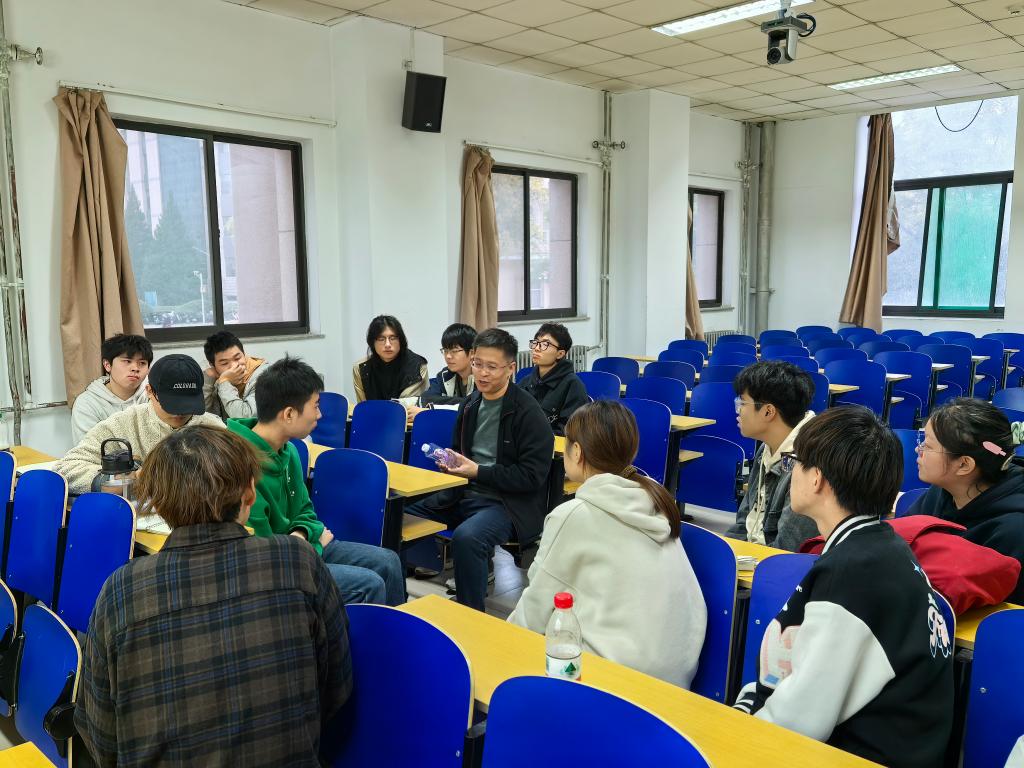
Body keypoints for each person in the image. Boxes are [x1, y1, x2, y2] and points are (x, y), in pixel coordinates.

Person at [75, 425, 351, 767]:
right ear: (250, 493)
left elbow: (100, 734)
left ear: (157, 505)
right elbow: (337, 685)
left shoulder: (122, 590)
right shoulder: (297, 560)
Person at [734, 407, 953, 767]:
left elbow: (799, 721)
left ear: (817, 479)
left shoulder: (854, 571)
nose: (791, 473)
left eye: (794, 464)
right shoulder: (881, 546)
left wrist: (732, 731)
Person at [508, 400, 707, 688]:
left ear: (577, 452)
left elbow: (533, 611)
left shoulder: (573, 515)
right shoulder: (654, 499)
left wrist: (502, 646)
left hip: (615, 681)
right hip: (675, 678)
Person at [227, 356, 405, 606]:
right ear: (289, 414)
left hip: (301, 546)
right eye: (316, 406)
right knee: (369, 584)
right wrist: (307, 543)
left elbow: (306, 511)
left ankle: (395, 628)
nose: (320, 415)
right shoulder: (240, 463)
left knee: (389, 561)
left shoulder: (288, 450)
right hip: (274, 567)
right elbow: (262, 553)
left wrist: (302, 535)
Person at [407, 328, 554, 611]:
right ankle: (396, 598)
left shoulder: (528, 413)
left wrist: (478, 472)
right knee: (402, 515)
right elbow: (462, 453)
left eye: (492, 367)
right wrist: (453, 463)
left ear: (511, 368)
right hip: (464, 493)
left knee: (468, 538)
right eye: (477, 364)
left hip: (506, 503)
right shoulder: (471, 404)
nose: (482, 373)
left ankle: (471, 615)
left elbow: (531, 477)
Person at [907, 398, 1024, 602]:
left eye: (929, 445)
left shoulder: (1013, 531)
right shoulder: (941, 493)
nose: (919, 449)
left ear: (963, 465)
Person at [55, 354, 225, 495]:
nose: (180, 412)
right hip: (138, 518)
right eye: (172, 404)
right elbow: (66, 468)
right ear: (150, 391)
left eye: (186, 404)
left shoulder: (213, 428)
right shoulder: (124, 423)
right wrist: (123, 480)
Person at [727, 361, 819, 551]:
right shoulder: (766, 448)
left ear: (768, 411)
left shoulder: (809, 463)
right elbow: (744, 521)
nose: (738, 410)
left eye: (742, 403)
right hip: (755, 553)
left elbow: (788, 548)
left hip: (775, 561)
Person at [71, 334, 152, 443]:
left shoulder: (155, 395)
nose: (135, 368)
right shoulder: (87, 403)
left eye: (142, 363)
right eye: (127, 361)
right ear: (107, 365)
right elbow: (88, 448)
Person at [518, 323, 588, 436]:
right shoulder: (526, 382)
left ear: (560, 354)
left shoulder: (573, 385)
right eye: (536, 342)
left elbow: (569, 431)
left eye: (545, 344)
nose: (536, 348)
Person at [352, 315, 428, 403]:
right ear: (372, 342)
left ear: (401, 340)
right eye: (381, 339)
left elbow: (406, 407)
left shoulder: (418, 366)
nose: (387, 344)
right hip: (372, 412)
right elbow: (363, 407)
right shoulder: (361, 368)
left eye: (393, 338)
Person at [202, 330, 268, 419]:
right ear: (213, 365)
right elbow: (205, 416)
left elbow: (246, 417)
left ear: (244, 354)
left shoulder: (265, 376)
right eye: (224, 363)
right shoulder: (217, 379)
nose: (234, 366)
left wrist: (224, 382)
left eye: (237, 358)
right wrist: (208, 381)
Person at [420, 322, 477, 407]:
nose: (448, 356)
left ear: (472, 353)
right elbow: (426, 398)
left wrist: (441, 402)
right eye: (445, 350)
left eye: (454, 351)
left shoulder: (481, 378)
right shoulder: (445, 375)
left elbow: (476, 404)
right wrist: (463, 402)